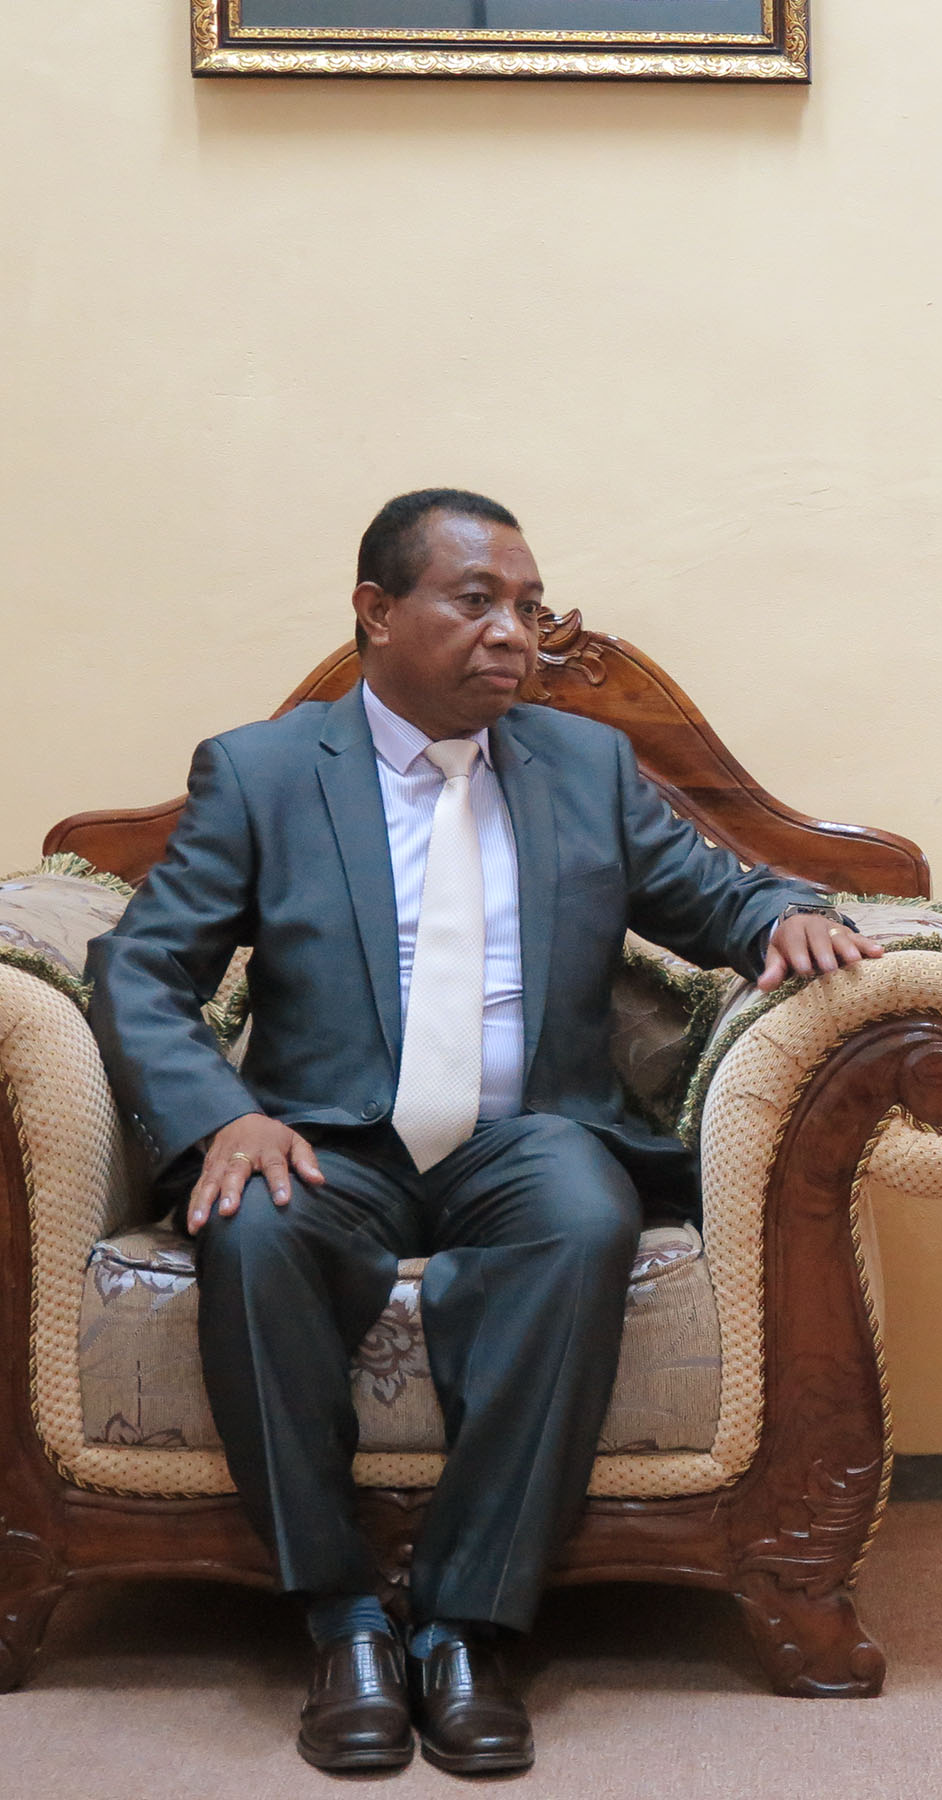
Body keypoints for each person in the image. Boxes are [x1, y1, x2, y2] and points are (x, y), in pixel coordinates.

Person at [87, 489, 883, 1774]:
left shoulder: (584, 767)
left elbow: (717, 896)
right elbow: (141, 964)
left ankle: (467, 1624)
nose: (513, 633)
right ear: (376, 612)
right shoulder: (264, 773)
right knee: (255, 1229)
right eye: (475, 602)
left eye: (527, 607)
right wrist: (220, 1118)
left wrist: (787, 917)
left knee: (581, 1214)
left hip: (530, 1132)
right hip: (327, 1140)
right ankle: (344, 1619)